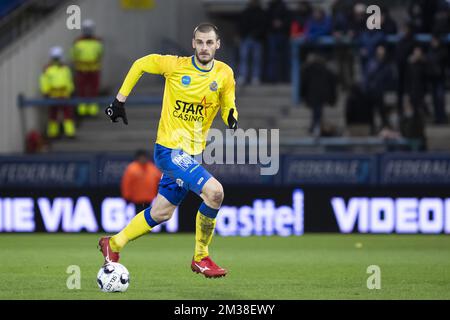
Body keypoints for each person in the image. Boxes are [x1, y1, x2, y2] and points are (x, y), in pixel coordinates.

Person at [99, 23, 238, 278]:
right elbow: (141, 64)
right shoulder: (174, 65)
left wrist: (231, 116)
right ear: (193, 43)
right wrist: (119, 100)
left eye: (210, 43)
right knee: (215, 193)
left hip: (191, 154)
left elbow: (228, 101)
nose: (204, 47)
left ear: (218, 44)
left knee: (162, 212)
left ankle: (114, 243)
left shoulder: (224, 73)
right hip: (169, 150)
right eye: (200, 42)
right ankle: (201, 257)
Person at [39, 46, 75, 138]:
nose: (56, 60)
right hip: (53, 95)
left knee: (67, 114)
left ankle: (70, 133)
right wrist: (45, 92)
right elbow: (44, 81)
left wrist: (71, 91)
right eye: (55, 58)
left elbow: (69, 81)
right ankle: (52, 133)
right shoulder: (47, 69)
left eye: (57, 58)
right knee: (53, 115)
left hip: (64, 94)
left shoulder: (65, 69)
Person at [71, 19, 103, 117]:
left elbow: (74, 56)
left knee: (92, 90)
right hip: (83, 70)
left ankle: (92, 110)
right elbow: (74, 56)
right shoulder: (80, 43)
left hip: (91, 70)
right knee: (82, 90)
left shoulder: (80, 43)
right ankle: (83, 110)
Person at [237, 0, 266, 86]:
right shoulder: (246, 12)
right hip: (245, 38)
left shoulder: (261, 13)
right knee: (244, 58)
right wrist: (240, 35)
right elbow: (241, 24)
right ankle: (243, 76)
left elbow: (263, 26)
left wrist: (257, 34)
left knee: (256, 59)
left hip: (257, 39)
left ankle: (255, 77)